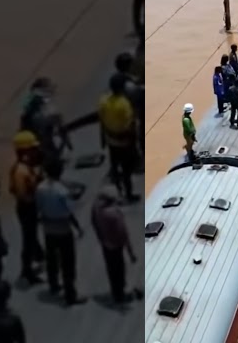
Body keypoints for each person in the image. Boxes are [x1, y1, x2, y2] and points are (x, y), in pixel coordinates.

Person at [35, 158, 86, 306]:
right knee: (68, 262)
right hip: (63, 229)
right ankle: (70, 295)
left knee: (51, 258)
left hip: (48, 228)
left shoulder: (40, 188)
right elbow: (70, 211)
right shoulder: (62, 191)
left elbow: (38, 207)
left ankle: (53, 284)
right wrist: (77, 227)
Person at [91, 185, 140, 305]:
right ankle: (120, 294)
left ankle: (116, 292)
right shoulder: (114, 214)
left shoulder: (95, 208)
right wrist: (131, 253)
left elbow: (93, 223)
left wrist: (101, 239)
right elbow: (124, 234)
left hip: (105, 243)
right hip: (116, 245)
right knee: (119, 269)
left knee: (111, 269)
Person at [7, 132, 43, 284]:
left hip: (28, 207)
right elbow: (22, 194)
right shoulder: (21, 171)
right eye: (32, 148)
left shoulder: (23, 167)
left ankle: (39, 254)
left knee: (31, 236)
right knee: (28, 239)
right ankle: (27, 270)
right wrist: (36, 184)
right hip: (27, 208)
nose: (35, 151)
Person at [98, 73, 138, 202]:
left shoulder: (103, 100)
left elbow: (102, 121)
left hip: (111, 140)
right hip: (124, 141)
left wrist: (103, 138)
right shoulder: (124, 104)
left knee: (115, 165)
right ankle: (129, 194)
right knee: (127, 170)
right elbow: (131, 125)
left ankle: (118, 191)